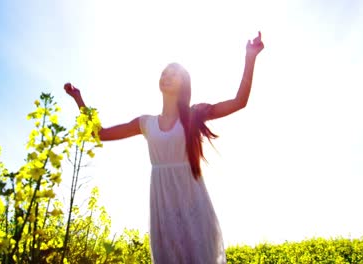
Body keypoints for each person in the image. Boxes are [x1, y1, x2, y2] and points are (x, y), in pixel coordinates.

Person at [64, 32, 264, 264]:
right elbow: (98, 134)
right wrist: (79, 100)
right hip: (163, 205)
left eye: (174, 73)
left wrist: (250, 58)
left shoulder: (194, 114)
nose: (167, 76)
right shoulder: (146, 123)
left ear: (184, 84)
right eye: (164, 73)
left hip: (193, 202)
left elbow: (239, 102)